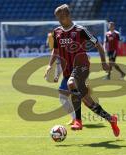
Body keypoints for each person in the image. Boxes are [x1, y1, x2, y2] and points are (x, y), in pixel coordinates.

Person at [45, 4, 120, 137]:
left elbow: (98, 45)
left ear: (68, 16)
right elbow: (55, 50)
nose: (59, 20)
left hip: (82, 66)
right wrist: (49, 65)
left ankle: (78, 121)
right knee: (87, 100)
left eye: (61, 17)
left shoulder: (81, 30)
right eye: (57, 18)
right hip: (68, 70)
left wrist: (103, 63)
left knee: (71, 83)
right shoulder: (57, 32)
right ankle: (111, 119)